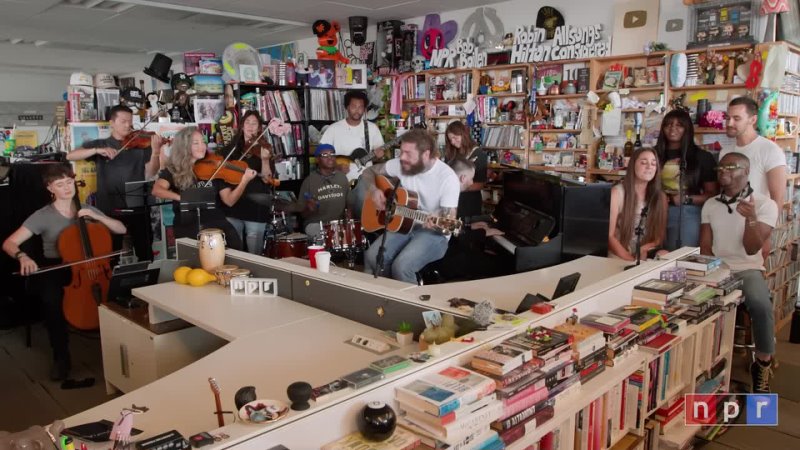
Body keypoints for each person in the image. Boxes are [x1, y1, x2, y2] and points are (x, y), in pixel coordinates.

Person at [2, 164, 126, 381]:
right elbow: (9, 243)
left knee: (117, 295)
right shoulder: (42, 216)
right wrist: (23, 256)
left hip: (92, 266)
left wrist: (100, 218)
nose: (67, 188)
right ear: (50, 188)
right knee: (51, 300)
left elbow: (121, 229)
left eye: (69, 182)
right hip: (58, 265)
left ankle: (118, 352)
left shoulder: (86, 209)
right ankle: (61, 357)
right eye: (60, 184)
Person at [700, 152, 778, 393]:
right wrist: (706, 273)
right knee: (691, 305)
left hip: (747, 268)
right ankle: (704, 365)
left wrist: (751, 219)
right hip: (716, 269)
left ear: (746, 171)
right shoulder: (711, 204)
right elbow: (704, 246)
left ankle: (762, 364)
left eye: (730, 167)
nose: (723, 171)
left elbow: (753, 247)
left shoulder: (765, 204)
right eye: (720, 168)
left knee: (760, 304)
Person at [361, 129, 460, 283]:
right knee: (373, 258)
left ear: (426, 154)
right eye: (401, 152)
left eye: (408, 153)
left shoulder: (447, 178)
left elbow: (448, 224)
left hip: (434, 235)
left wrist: (437, 224)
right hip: (404, 224)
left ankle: (412, 306)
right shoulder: (401, 164)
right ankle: (389, 296)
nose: (402, 158)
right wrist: (373, 190)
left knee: (402, 266)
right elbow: (368, 172)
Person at [66, 105, 162, 263]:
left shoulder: (141, 144)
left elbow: (151, 172)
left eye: (130, 121)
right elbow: (71, 155)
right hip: (109, 208)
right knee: (111, 256)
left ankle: (145, 285)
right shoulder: (101, 143)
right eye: (123, 121)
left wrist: (156, 152)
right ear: (112, 123)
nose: (128, 125)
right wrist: (96, 150)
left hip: (138, 206)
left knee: (145, 254)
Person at [151, 127, 243, 250]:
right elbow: (157, 190)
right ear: (184, 146)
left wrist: (245, 180)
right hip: (188, 224)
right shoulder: (174, 169)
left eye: (203, 142)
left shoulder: (213, 167)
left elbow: (229, 200)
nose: (202, 146)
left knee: (235, 246)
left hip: (215, 221)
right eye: (196, 143)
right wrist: (182, 198)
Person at [654, 109, 718, 250]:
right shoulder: (652, 154)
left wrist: (686, 199)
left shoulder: (703, 157)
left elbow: (712, 194)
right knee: (652, 257)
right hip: (654, 211)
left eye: (679, 125)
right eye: (668, 124)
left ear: (687, 129)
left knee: (679, 257)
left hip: (687, 212)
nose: (673, 128)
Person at [216, 110, 277, 254]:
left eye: (254, 123)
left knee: (254, 253)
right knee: (234, 250)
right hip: (233, 205)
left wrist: (265, 159)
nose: (250, 126)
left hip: (255, 207)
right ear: (242, 126)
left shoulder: (264, 148)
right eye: (247, 122)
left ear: (259, 127)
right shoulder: (230, 149)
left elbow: (267, 179)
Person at [320, 90, 385, 217]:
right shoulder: (334, 129)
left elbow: (378, 158)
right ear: (346, 107)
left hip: (365, 179)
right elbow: (321, 156)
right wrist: (335, 167)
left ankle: (367, 231)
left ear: (365, 109)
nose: (357, 110)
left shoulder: (372, 129)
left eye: (361, 107)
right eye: (354, 106)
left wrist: (379, 156)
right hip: (339, 182)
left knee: (365, 199)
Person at [721, 97, 786, 210]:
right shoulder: (725, 152)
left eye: (736, 118)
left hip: (757, 222)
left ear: (753, 120)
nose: (729, 123)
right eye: (728, 118)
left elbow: (778, 200)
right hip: (727, 221)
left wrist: (768, 226)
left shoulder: (770, 150)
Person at [608, 148, 668, 261]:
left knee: (665, 254)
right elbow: (610, 236)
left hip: (644, 252)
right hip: (620, 253)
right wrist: (632, 260)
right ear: (632, 165)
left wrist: (643, 249)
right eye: (643, 162)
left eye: (653, 164)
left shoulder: (661, 197)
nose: (649, 166)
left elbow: (658, 237)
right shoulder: (617, 193)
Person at [282, 144, 350, 235]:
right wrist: (309, 208)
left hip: (337, 224)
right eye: (325, 155)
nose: (330, 157)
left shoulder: (342, 177)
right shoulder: (309, 181)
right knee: (327, 236)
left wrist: (349, 223)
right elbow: (303, 214)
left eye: (332, 154)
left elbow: (349, 205)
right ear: (317, 159)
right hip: (315, 224)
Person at [444, 121, 488, 220]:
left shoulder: (479, 154)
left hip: (470, 202)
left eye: (455, 138)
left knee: (468, 231)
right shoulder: (450, 154)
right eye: (450, 139)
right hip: (452, 200)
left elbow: (480, 184)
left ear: (463, 134)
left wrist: (459, 187)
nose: (453, 142)